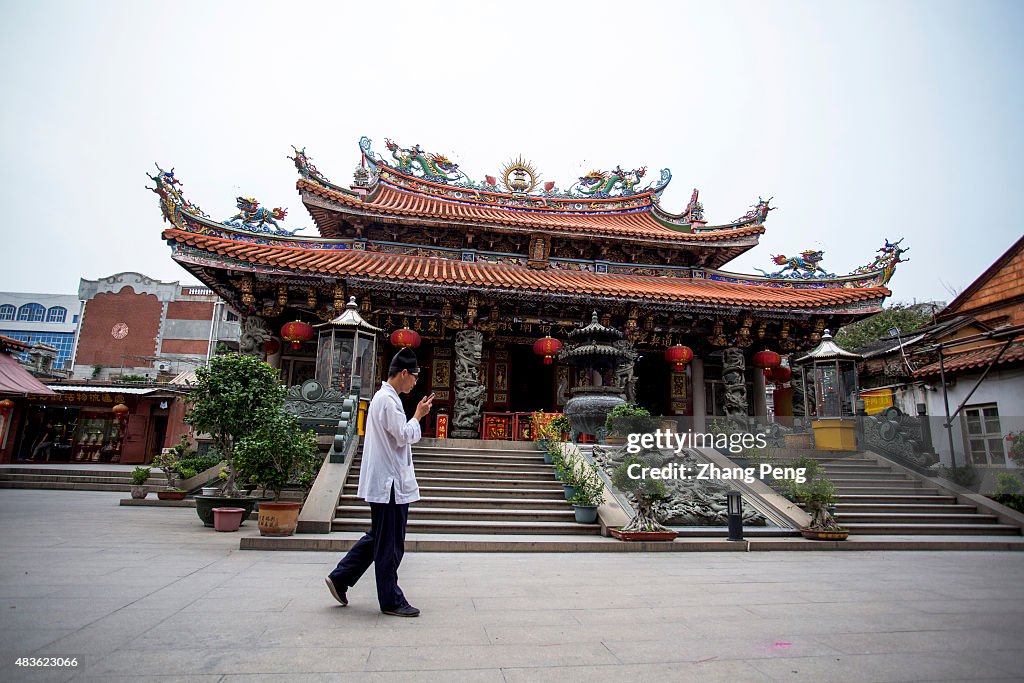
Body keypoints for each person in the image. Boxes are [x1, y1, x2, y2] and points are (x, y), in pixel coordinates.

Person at [326, 348, 433, 617]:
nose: (415, 383)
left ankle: (341, 577)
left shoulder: (384, 398)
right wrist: (418, 415)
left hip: (387, 481)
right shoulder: (388, 400)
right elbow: (403, 435)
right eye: (415, 378)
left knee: (378, 537)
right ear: (404, 373)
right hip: (390, 484)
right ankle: (391, 599)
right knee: (390, 544)